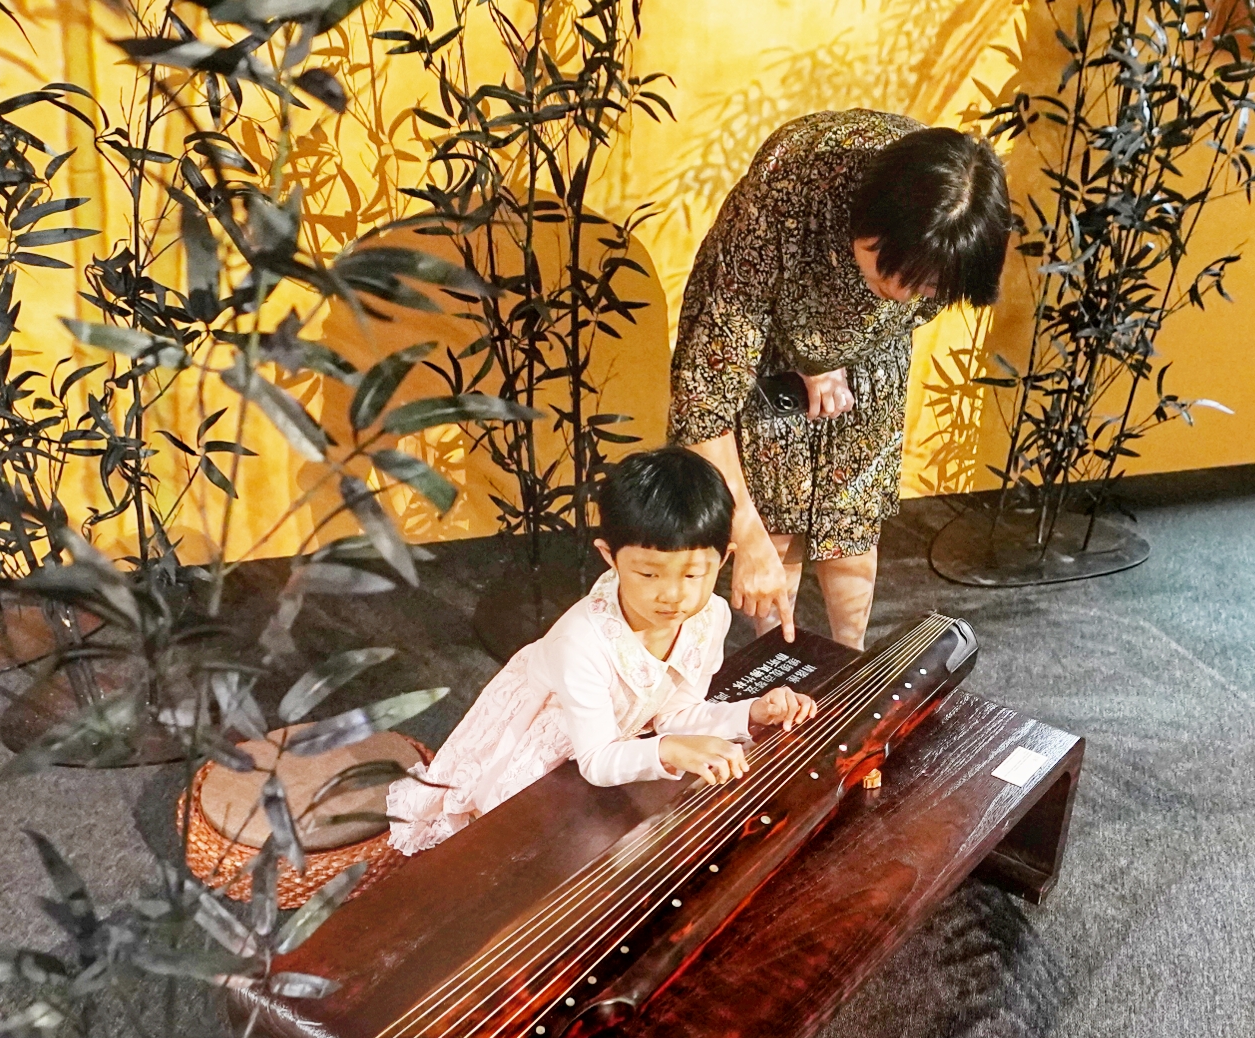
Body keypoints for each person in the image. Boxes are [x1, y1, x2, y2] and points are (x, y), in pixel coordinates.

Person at [670, 112, 1011, 649]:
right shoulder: (784, 195)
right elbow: (703, 398)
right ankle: (779, 665)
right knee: (775, 510)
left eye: (925, 288)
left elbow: (903, 290)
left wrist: (834, 356)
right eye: (889, 272)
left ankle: (850, 664)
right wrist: (746, 534)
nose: (902, 294)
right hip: (768, 323)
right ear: (864, 220)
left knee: (853, 508)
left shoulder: (953, 229)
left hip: (870, 346)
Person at [387, 447, 818, 856]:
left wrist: (751, 712)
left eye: (692, 575)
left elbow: (674, 714)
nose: (673, 596)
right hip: (540, 745)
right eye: (648, 574)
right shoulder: (581, 640)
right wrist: (669, 749)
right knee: (511, 854)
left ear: (723, 560)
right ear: (609, 557)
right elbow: (597, 759)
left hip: (612, 744)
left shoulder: (710, 616)